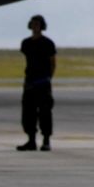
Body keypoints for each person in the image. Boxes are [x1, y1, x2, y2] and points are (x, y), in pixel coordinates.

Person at [17, 14, 56, 152]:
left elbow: (52, 63)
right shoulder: (26, 43)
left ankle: (46, 141)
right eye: (33, 24)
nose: (35, 26)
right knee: (28, 113)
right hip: (29, 82)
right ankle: (31, 141)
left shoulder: (48, 43)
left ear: (42, 26)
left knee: (45, 112)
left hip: (43, 83)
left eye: (37, 24)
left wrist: (48, 78)